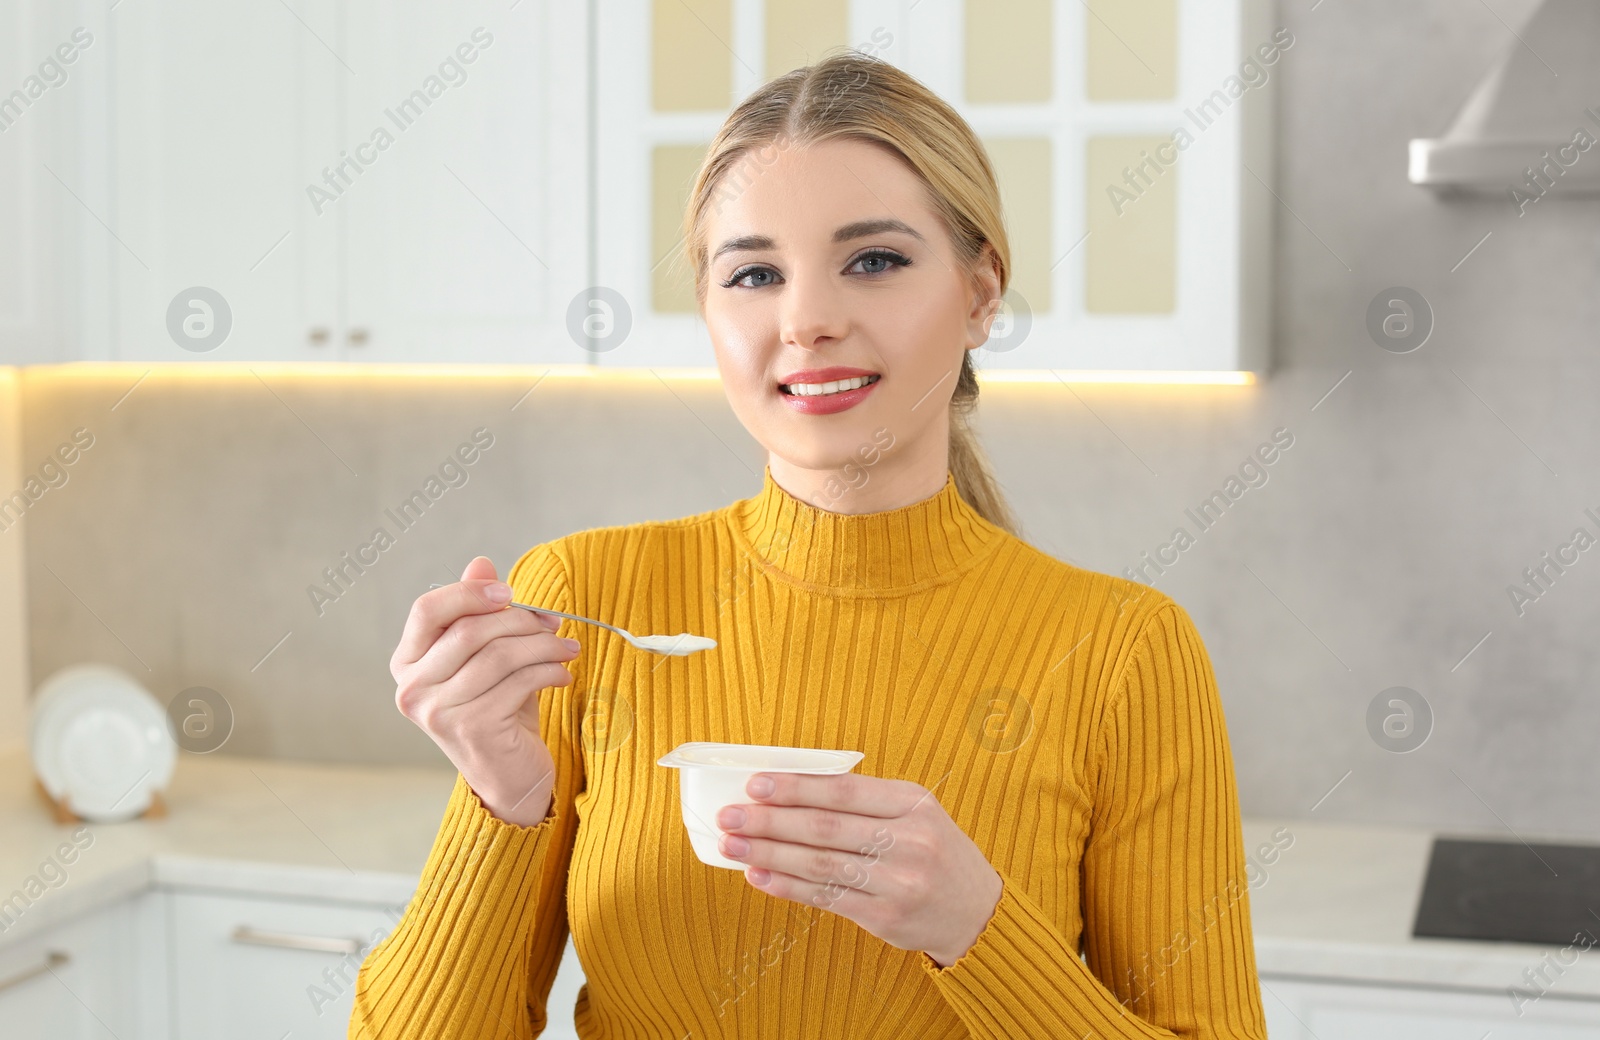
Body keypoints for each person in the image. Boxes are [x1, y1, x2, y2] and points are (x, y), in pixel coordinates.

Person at [350, 50, 1268, 1040]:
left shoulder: (1123, 649)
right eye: (754, 273)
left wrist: (975, 925)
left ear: (979, 291)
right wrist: (502, 799)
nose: (809, 320)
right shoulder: (584, 598)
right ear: (710, 312)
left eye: (873, 260)